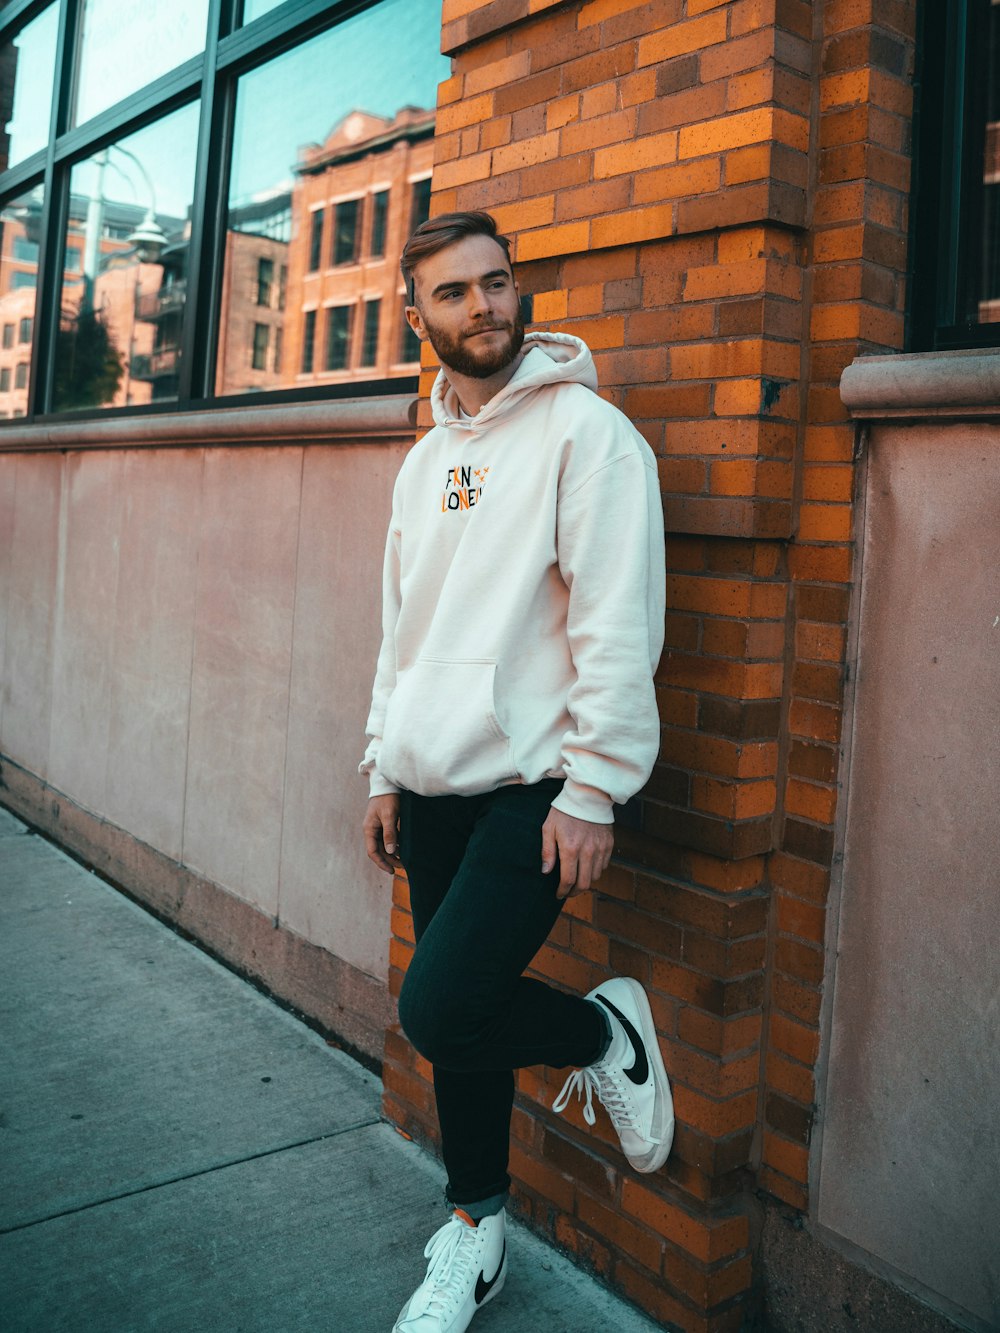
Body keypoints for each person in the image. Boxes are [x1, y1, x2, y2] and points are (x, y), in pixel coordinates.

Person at [360, 211, 672, 1333]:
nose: (482, 306)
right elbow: (402, 628)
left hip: (534, 788)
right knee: (461, 1017)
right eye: (453, 293)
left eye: (495, 283)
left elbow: (616, 621)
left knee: (441, 1007)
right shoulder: (425, 460)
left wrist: (595, 787)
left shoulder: (587, 435)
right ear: (418, 316)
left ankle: (603, 1037)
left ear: (516, 289)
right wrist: (379, 766)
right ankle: (475, 1228)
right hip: (430, 783)